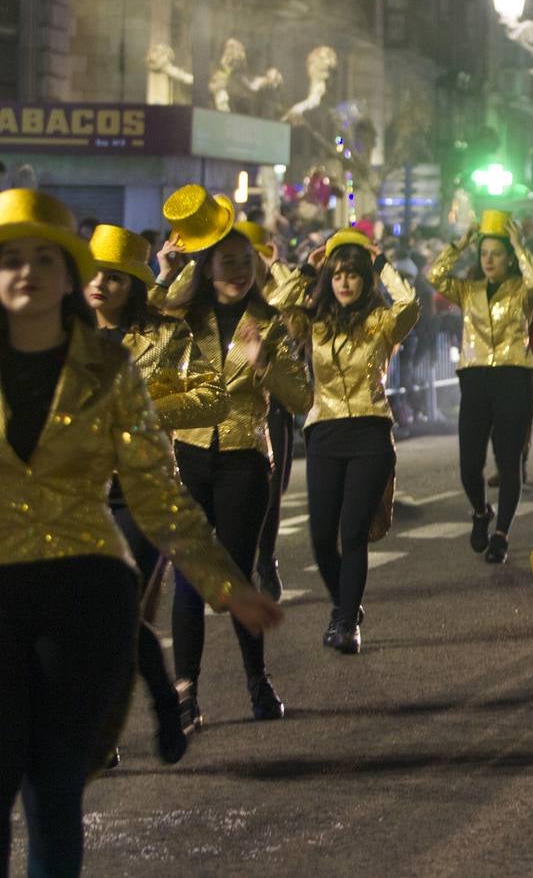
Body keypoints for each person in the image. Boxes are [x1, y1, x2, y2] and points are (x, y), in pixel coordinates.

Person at [0, 188, 282, 876]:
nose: (26, 271)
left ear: (68, 275)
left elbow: (159, 491)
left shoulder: (112, 367)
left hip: (83, 589)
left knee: (55, 786)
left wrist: (228, 585)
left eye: (46, 257)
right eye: (9, 258)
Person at [152, 185, 311, 725]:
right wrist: (163, 272)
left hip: (245, 459)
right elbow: (145, 335)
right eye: (227, 260)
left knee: (237, 577)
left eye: (246, 260)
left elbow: (301, 398)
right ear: (207, 263)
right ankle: (185, 693)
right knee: (190, 578)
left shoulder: (268, 322)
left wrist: (263, 360)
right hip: (189, 458)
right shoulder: (185, 319)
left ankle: (257, 683)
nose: (239, 269)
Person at [84, 223, 228, 766]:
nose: (101, 285)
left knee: (119, 608)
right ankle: (136, 712)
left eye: (115, 278)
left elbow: (212, 396)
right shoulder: (60, 335)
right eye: (94, 275)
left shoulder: (167, 337)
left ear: (135, 286)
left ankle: (124, 722)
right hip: (74, 494)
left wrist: (145, 411)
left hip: (140, 492)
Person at [271, 228, 420, 654]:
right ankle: (345, 605)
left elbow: (410, 305)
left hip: (370, 432)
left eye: (353, 274)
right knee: (321, 536)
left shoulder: (381, 324)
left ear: (364, 279)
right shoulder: (314, 324)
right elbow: (279, 305)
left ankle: (345, 621)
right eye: (337, 275)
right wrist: (306, 268)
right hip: (324, 432)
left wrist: (381, 264)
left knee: (351, 532)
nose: (344, 282)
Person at [428, 210, 533, 565]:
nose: (489, 259)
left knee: (509, 462)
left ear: (510, 257)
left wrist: (518, 243)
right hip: (476, 378)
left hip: (514, 376)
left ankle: (501, 535)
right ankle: (481, 512)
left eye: (497, 253)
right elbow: (436, 274)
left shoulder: (522, 290)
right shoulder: (468, 290)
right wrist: (462, 242)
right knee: (469, 465)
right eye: (484, 254)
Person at [236, 219, 292, 602]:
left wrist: (278, 267)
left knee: (272, 493)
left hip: (274, 405)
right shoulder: (220, 295)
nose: (245, 267)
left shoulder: (274, 295)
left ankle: (266, 558)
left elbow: (296, 303)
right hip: (228, 411)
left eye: (253, 257)